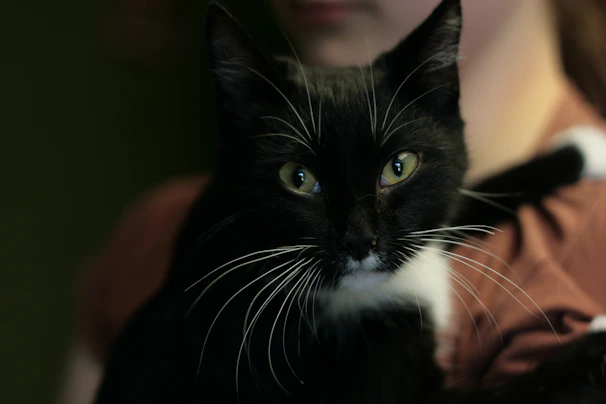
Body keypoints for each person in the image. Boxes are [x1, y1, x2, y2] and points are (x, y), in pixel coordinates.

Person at [58, 0, 606, 402]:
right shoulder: (165, 232)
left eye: (398, 169)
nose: (361, 238)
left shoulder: (575, 267)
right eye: (300, 179)